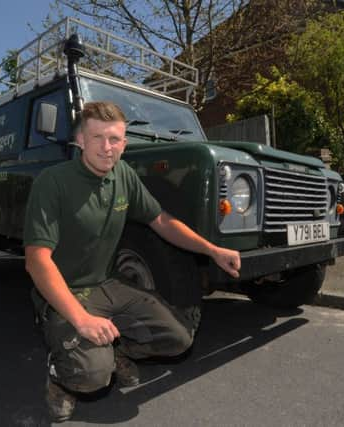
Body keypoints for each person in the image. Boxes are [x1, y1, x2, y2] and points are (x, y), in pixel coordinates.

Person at [24, 101, 240, 422]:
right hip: (66, 292)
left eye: (115, 140)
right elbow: (37, 262)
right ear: (80, 140)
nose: (106, 148)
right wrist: (82, 320)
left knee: (179, 339)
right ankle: (61, 378)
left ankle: (117, 353)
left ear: (125, 145)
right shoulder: (53, 181)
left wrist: (213, 250)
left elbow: (162, 221)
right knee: (92, 376)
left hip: (108, 283)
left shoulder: (123, 175)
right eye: (97, 137)